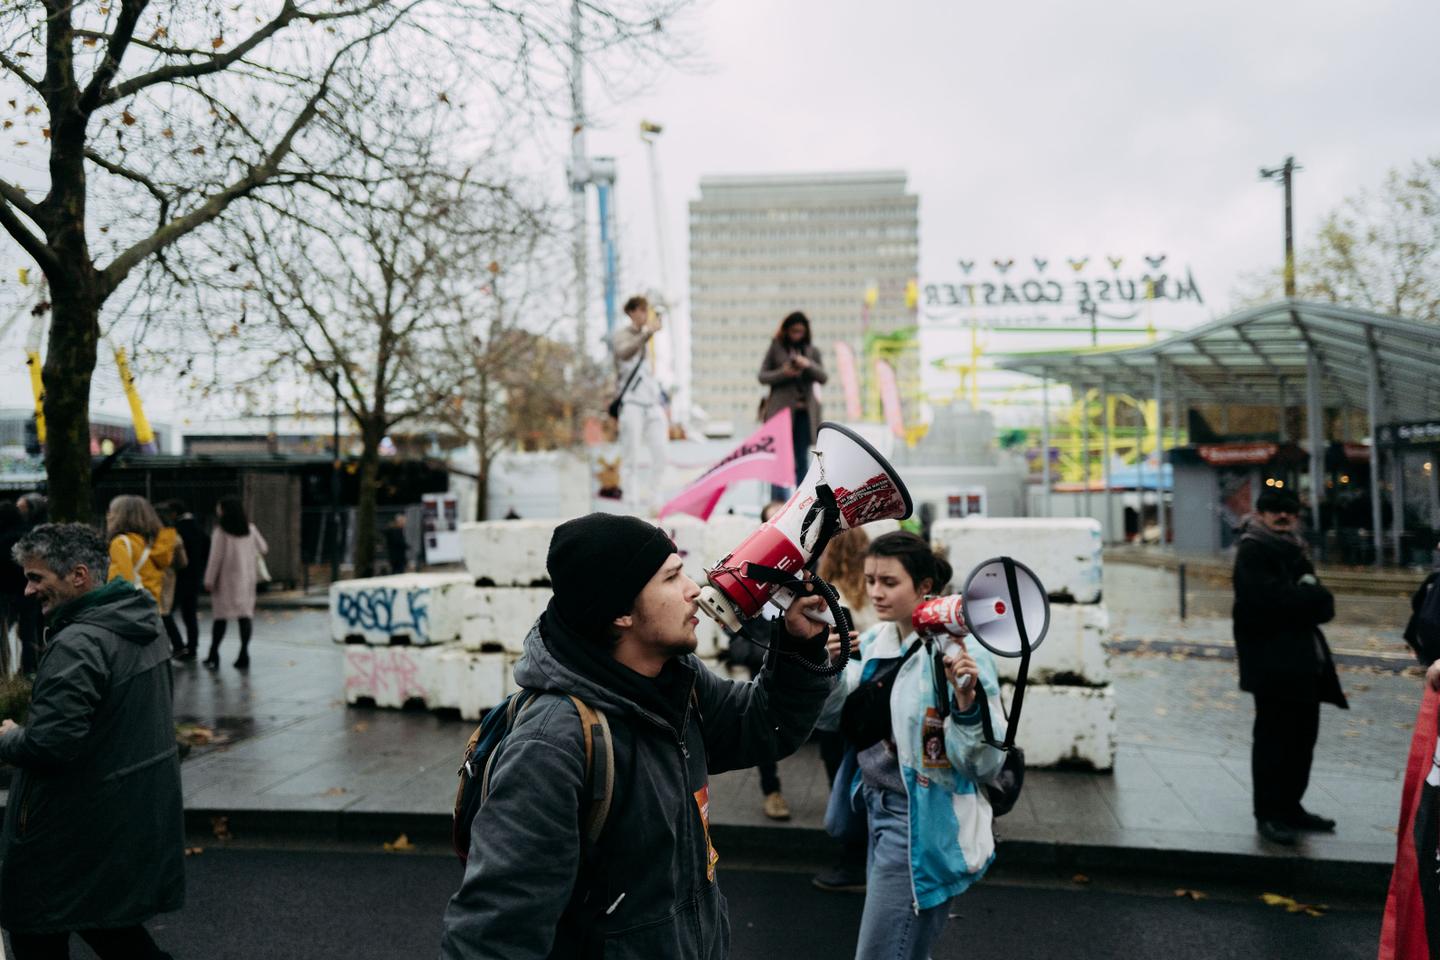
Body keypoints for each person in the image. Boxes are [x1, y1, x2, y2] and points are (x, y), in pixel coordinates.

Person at [440, 512, 834, 959]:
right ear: (621, 612)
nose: (693, 588)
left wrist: (799, 644)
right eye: (671, 577)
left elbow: (763, 727)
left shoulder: (677, 682)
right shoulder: (552, 745)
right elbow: (492, 938)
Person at [1, 523, 184, 959]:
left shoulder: (79, 644)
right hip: (115, 814)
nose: (27, 591)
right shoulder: (141, 622)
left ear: (78, 576)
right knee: (108, 925)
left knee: (40, 926)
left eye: (36, 578)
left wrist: (8, 737)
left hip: (64, 827)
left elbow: (48, 745)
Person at [830, 531, 1005, 959]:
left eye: (889, 582)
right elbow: (832, 718)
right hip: (876, 809)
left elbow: (983, 764)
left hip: (920, 821)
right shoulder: (872, 644)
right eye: (870, 580)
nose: (875, 592)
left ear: (924, 587)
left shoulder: (963, 653)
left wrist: (965, 704)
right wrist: (824, 670)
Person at [1232, 487, 1347, 847]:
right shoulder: (1253, 549)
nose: (1283, 516)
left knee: (1301, 740)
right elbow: (1266, 603)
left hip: (1303, 664)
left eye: (1290, 511)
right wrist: (1305, 596)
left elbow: (1326, 606)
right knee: (1273, 741)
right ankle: (1268, 813)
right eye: (1275, 511)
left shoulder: (1295, 549)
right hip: (1271, 665)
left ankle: (1291, 807)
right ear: (1261, 513)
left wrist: (1303, 597)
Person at [810, 525, 874, 892]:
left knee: (842, 781)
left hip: (841, 702)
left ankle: (852, 861)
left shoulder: (829, 597)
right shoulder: (875, 591)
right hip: (874, 702)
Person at [757, 311, 827, 497]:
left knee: (801, 459)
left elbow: (823, 377)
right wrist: (783, 373)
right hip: (781, 415)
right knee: (779, 461)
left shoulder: (812, 351)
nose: (797, 335)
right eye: (794, 331)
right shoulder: (776, 349)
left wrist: (807, 365)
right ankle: (778, 503)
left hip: (804, 414)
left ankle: (801, 500)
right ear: (786, 330)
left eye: (801, 331)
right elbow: (762, 376)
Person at [610, 295, 668, 516]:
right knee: (631, 455)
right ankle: (630, 504)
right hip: (631, 402)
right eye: (642, 311)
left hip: (652, 402)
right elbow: (624, 353)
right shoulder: (622, 335)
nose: (646, 315)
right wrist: (647, 333)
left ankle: (655, 500)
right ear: (632, 312)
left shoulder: (649, 339)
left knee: (661, 453)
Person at [202, 495, 269, 670]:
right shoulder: (250, 529)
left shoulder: (221, 532)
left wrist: (209, 580)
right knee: (245, 617)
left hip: (226, 582)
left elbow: (215, 559)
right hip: (246, 580)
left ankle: (213, 653)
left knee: (220, 619)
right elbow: (264, 548)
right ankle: (244, 653)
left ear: (224, 511)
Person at [105, 495, 175, 607]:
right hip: (152, 610)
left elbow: (119, 585)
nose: (108, 516)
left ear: (120, 516)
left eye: (111, 512)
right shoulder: (152, 543)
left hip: (131, 611)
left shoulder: (121, 543)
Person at [163, 499, 208, 661]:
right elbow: (206, 549)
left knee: (166, 613)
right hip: (195, 576)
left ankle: (178, 645)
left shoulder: (177, 530)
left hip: (179, 577)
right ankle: (192, 646)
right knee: (190, 614)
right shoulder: (198, 526)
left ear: (174, 513)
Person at [14, 493, 47, 673]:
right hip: (29, 589)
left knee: (32, 629)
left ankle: (31, 667)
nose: (17, 512)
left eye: (21, 508)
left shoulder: (35, 533)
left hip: (34, 590)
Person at [154, 502, 190, 658]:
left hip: (151, 576)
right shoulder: (175, 537)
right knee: (165, 612)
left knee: (157, 613)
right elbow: (183, 562)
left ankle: (170, 645)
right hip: (169, 577)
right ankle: (178, 645)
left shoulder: (147, 536)